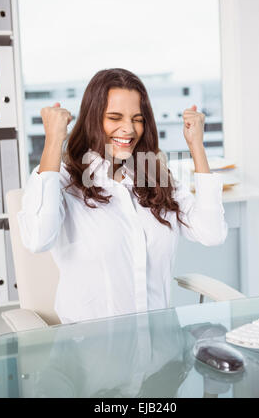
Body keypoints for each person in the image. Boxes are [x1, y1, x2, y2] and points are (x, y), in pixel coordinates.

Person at [17, 68, 228, 324]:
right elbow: (38, 238)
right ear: (93, 119)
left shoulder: (154, 176)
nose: (128, 129)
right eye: (114, 117)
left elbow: (212, 233)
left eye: (137, 119)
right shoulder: (62, 178)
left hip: (161, 350)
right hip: (92, 354)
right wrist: (53, 140)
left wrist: (196, 146)